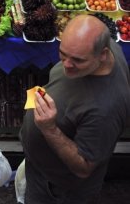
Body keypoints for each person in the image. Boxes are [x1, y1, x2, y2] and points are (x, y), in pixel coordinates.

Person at [20, 14, 130, 203]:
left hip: (57, 188)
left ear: (103, 54)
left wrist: (50, 129)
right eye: (63, 54)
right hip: (40, 168)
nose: (67, 65)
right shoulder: (100, 48)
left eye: (77, 60)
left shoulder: (105, 111)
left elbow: (84, 167)